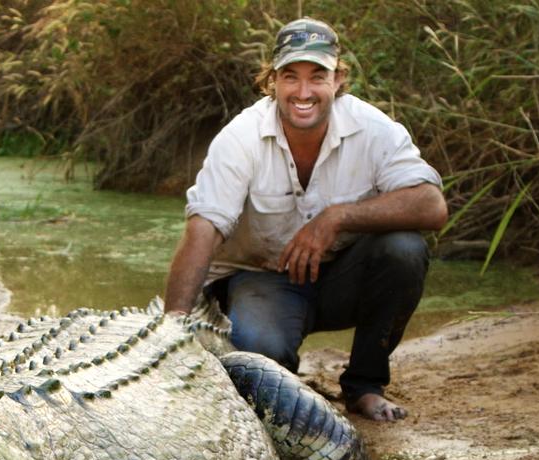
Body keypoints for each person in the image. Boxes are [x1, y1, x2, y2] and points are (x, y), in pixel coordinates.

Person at [164, 17, 448, 422]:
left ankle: (364, 386)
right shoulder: (240, 137)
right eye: (290, 76)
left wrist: (338, 217)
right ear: (272, 82)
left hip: (342, 279)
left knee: (404, 249)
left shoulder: (372, 128)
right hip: (261, 278)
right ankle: (291, 391)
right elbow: (203, 226)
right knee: (263, 359)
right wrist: (172, 327)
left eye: (317, 76)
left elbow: (431, 205)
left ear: (337, 79)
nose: (303, 92)